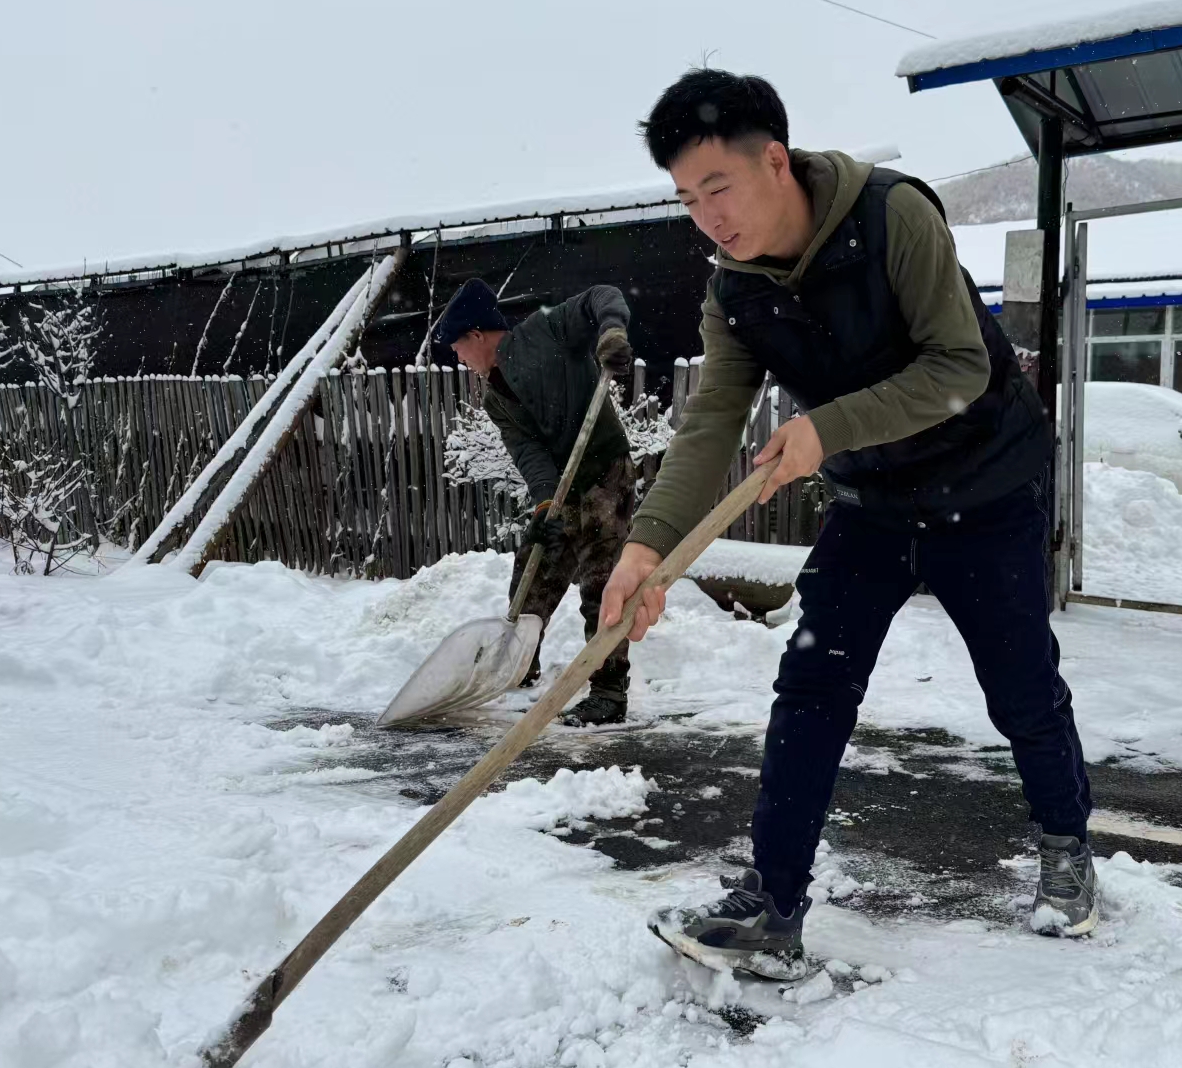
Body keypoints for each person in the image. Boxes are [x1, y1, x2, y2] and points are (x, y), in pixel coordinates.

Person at [598, 69, 1097, 974]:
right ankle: (775, 901)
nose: (707, 216)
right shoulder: (736, 289)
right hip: (872, 504)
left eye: (719, 187)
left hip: (983, 490)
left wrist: (826, 428)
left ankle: (1066, 847)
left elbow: (957, 368)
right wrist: (645, 548)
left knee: (1019, 686)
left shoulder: (890, 216)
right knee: (812, 691)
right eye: (685, 198)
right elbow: (711, 422)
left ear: (775, 160)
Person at [433, 278, 638, 726]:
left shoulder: (546, 330)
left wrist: (611, 332)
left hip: (604, 469)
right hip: (562, 484)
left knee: (601, 583)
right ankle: (522, 665)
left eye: (457, 348)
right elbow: (529, 453)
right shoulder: (495, 398)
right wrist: (546, 506)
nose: (458, 358)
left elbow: (600, 294)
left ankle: (608, 690)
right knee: (534, 566)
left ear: (476, 335)